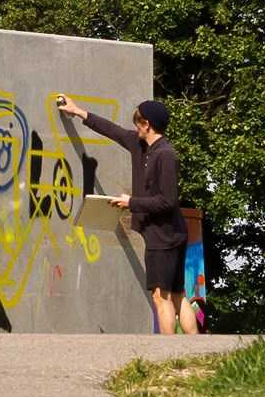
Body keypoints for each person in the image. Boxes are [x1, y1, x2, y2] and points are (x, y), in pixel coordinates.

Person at [55, 94, 198, 335]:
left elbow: (167, 201)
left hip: (163, 236)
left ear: (147, 125)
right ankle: (198, 348)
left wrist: (130, 202)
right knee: (176, 295)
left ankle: (170, 354)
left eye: (137, 123)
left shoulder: (166, 155)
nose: (134, 127)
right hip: (166, 234)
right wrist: (79, 112)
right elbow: (112, 130)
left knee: (160, 298)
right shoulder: (140, 145)